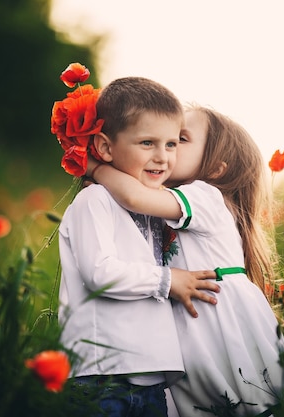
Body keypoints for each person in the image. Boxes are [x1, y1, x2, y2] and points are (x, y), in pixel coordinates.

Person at [87, 104, 284, 416]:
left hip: (216, 312)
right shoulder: (177, 201)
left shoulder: (206, 195)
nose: (166, 145)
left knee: (245, 399)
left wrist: (97, 168)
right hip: (195, 318)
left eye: (179, 139)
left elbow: (133, 196)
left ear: (216, 169)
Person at [58, 77, 221, 417]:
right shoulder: (95, 200)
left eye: (172, 144)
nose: (162, 157)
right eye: (147, 142)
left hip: (149, 380)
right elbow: (99, 273)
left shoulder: (152, 208)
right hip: (101, 376)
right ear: (105, 148)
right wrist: (168, 280)